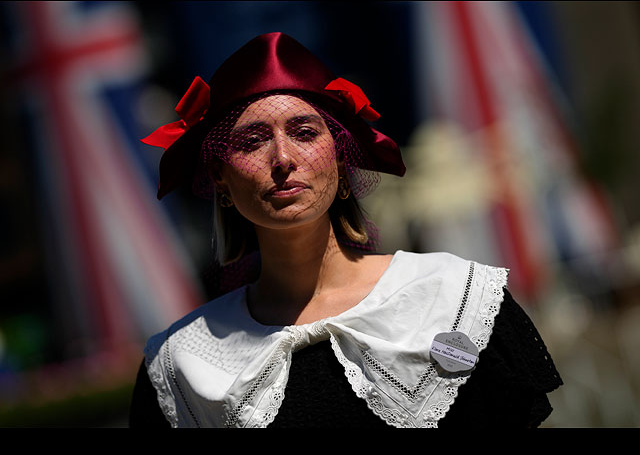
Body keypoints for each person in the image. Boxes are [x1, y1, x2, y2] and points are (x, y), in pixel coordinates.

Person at [128, 32, 562, 428]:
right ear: (220, 176)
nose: (282, 158)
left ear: (339, 156)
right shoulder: (180, 365)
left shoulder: (456, 297)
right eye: (252, 140)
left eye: (303, 132)